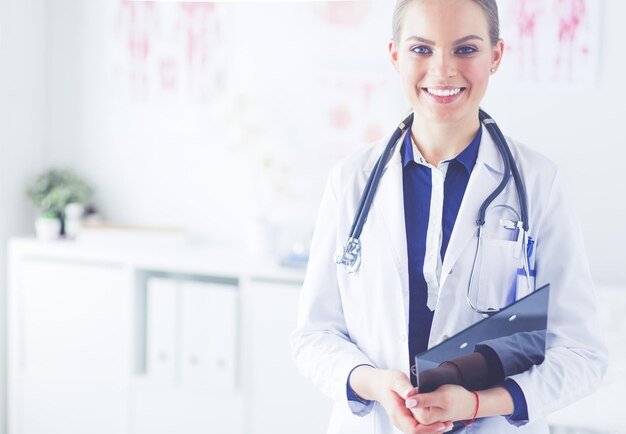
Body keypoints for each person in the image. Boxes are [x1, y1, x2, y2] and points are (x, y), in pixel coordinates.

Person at [290, 0, 607, 433]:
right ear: (394, 55)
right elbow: (314, 336)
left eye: (465, 49)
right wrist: (377, 384)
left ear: (496, 55)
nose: (442, 70)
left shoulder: (538, 184)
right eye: (422, 49)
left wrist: (476, 404)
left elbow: (582, 353)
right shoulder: (351, 181)